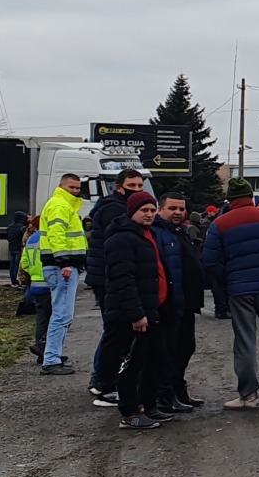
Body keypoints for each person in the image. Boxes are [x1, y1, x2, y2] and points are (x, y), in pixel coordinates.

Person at [201, 177, 259, 409]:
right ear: (251, 197)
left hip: (239, 289)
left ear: (230, 200)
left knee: (244, 340)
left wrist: (228, 279)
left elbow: (210, 261)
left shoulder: (220, 224)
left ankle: (248, 396)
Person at [101, 191, 169, 430]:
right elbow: (123, 280)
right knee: (132, 365)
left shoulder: (144, 235)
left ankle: (148, 406)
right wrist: (136, 314)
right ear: (132, 212)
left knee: (153, 360)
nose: (149, 214)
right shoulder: (122, 239)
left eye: (152, 210)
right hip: (131, 315)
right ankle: (129, 413)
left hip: (150, 310)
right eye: (144, 210)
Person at [85, 168, 147, 394]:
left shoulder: (118, 206)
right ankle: (101, 379)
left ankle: (105, 376)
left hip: (107, 274)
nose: (137, 190)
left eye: (140, 186)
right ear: (119, 187)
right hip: (107, 277)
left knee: (116, 330)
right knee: (115, 330)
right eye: (132, 186)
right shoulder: (115, 209)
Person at [152, 192, 206, 412]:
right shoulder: (158, 233)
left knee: (185, 348)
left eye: (181, 209)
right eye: (172, 208)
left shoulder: (180, 231)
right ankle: (164, 396)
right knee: (168, 352)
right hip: (170, 305)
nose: (177, 212)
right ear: (161, 210)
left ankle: (178, 390)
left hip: (186, 304)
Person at [37, 172, 87, 376]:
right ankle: (51, 359)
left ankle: (53, 355)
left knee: (61, 314)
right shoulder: (60, 205)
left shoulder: (61, 204)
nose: (75, 191)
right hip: (62, 267)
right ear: (61, 186)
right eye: (71, 188)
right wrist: (64, 261)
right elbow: (57, 235)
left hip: (60, 266)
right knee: (62, 314)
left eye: (77, 188)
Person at [19, 217, 51, 360]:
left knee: (41, 318)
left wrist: (34, 273)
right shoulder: (48, 238)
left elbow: (24, 263)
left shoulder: (31, 240)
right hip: (49, 283)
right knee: (55, 318)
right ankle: (45, 349)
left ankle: (40, 347)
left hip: (35, 285)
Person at [5, 211, 27, 285]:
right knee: (17, 266)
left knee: (12, 265)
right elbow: (24, 238)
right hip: (19, 249)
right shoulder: (22, 227)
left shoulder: (10, 227)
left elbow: (7, 237)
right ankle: (16, 281)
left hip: (11, 248)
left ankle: (13, 280)